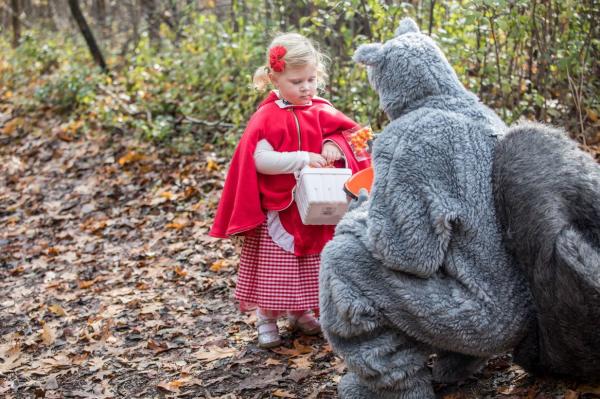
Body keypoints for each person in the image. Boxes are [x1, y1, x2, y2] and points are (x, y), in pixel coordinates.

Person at [209, 32, 370, 348]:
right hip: (280, 207)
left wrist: (332, 144)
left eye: (311, 79)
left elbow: (358, 136)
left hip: (318, 206)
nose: (306, 87)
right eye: (297, 81)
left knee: (311, 263)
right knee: (279, 268)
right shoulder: (266, 117)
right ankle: (267, 317)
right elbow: (259, 159)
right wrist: (301, 158)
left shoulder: (323, 109)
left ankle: (300, 312)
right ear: (274, 78)